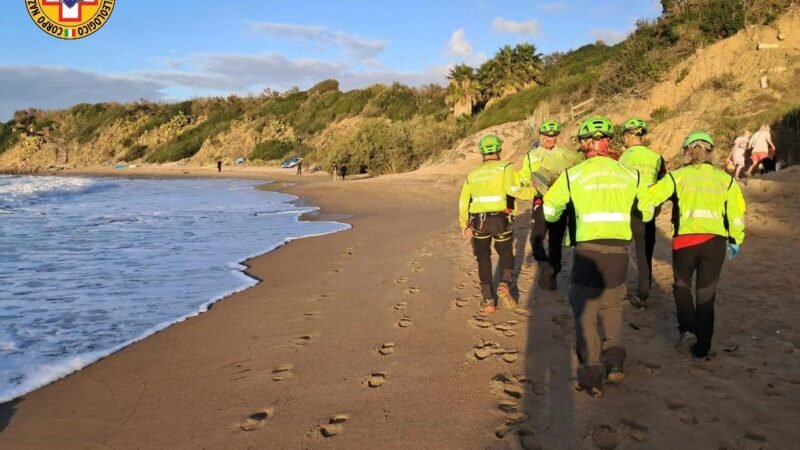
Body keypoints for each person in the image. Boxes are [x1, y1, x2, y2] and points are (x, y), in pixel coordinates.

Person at [543, 116, 651, 398]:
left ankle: (592, 374)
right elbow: (648, 211)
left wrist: (560, 216)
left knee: (585, 313)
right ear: (608, 143)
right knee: (613, 306)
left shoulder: (573, 174)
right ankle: (614, 362)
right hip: (618, 252)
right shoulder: (630, 174)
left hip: (587, 251)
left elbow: (550, 210)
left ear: (584, 144)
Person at [641, 132, 746, 361]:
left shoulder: (677, 176)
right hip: (715, 242)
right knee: (706, 294)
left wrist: (643, 209)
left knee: (681, 286)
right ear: (711, 152)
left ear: (687, 152)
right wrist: (736, 239)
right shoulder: (725, 179)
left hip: (685, 240)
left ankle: (687, 329)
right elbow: (736, 214)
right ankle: (703, 346)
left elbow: (649, 198)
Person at [459, 135, 537, 313]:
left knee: (483, 259)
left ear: (482, 152)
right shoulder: (506, 167)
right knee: (505, 253)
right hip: (501, 219)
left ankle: (488, 300)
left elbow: (464, 201)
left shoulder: (472, 173)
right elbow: (513, 189)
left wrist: (464, 224)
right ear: (499, 150)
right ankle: (504, 282)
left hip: (479, 222)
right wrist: (534, 191)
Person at [518, 119, 584, 290]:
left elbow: (583, 163)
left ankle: (552, 275)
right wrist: (526, 183)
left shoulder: (565, 153)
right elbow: (524, 177)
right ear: (540, 135)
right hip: (540, 199)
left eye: (553, 135)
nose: (549, 138)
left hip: (561, 202)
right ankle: (545, 264)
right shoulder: (530, 155)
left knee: (556, 240)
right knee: (536, 237)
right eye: (546, 135)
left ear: (557, 137)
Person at [619, 118, 666, 308]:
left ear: (628, 136)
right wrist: (657, 207)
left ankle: (621, 288)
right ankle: (643, 292)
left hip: (628, 208)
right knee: (644, 252)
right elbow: (663, 184)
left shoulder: (624, 158)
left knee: (621, 248)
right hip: (649, 209)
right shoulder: (656, 157)